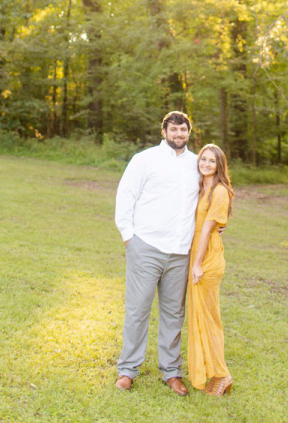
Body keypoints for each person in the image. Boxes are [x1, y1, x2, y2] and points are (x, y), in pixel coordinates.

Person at [114, 111, 199, 396]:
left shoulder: (196, 164)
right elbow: (126, 195)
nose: (179, 134)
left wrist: (218, 226)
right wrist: (130, 239)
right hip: (146, 247)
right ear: (164, 132)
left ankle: (172, 372)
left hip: (180, 252)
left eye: (183, 129)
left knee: (174, 313)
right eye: (173, 129)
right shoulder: (145, 159)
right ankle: (127, 370)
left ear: (189, 132)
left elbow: (209, 199)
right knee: (138, 310)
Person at [187, 143, 233, 397]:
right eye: (203, 159)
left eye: (211, 161)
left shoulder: (220, 191)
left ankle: (222, 374)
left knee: (209, 317)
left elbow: (207, 229)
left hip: (207, 259)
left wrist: (196, 264)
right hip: (197, 253)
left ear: (219, 166)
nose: (205, 164)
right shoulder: (201, 186)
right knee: (199, 315)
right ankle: (210, 369)